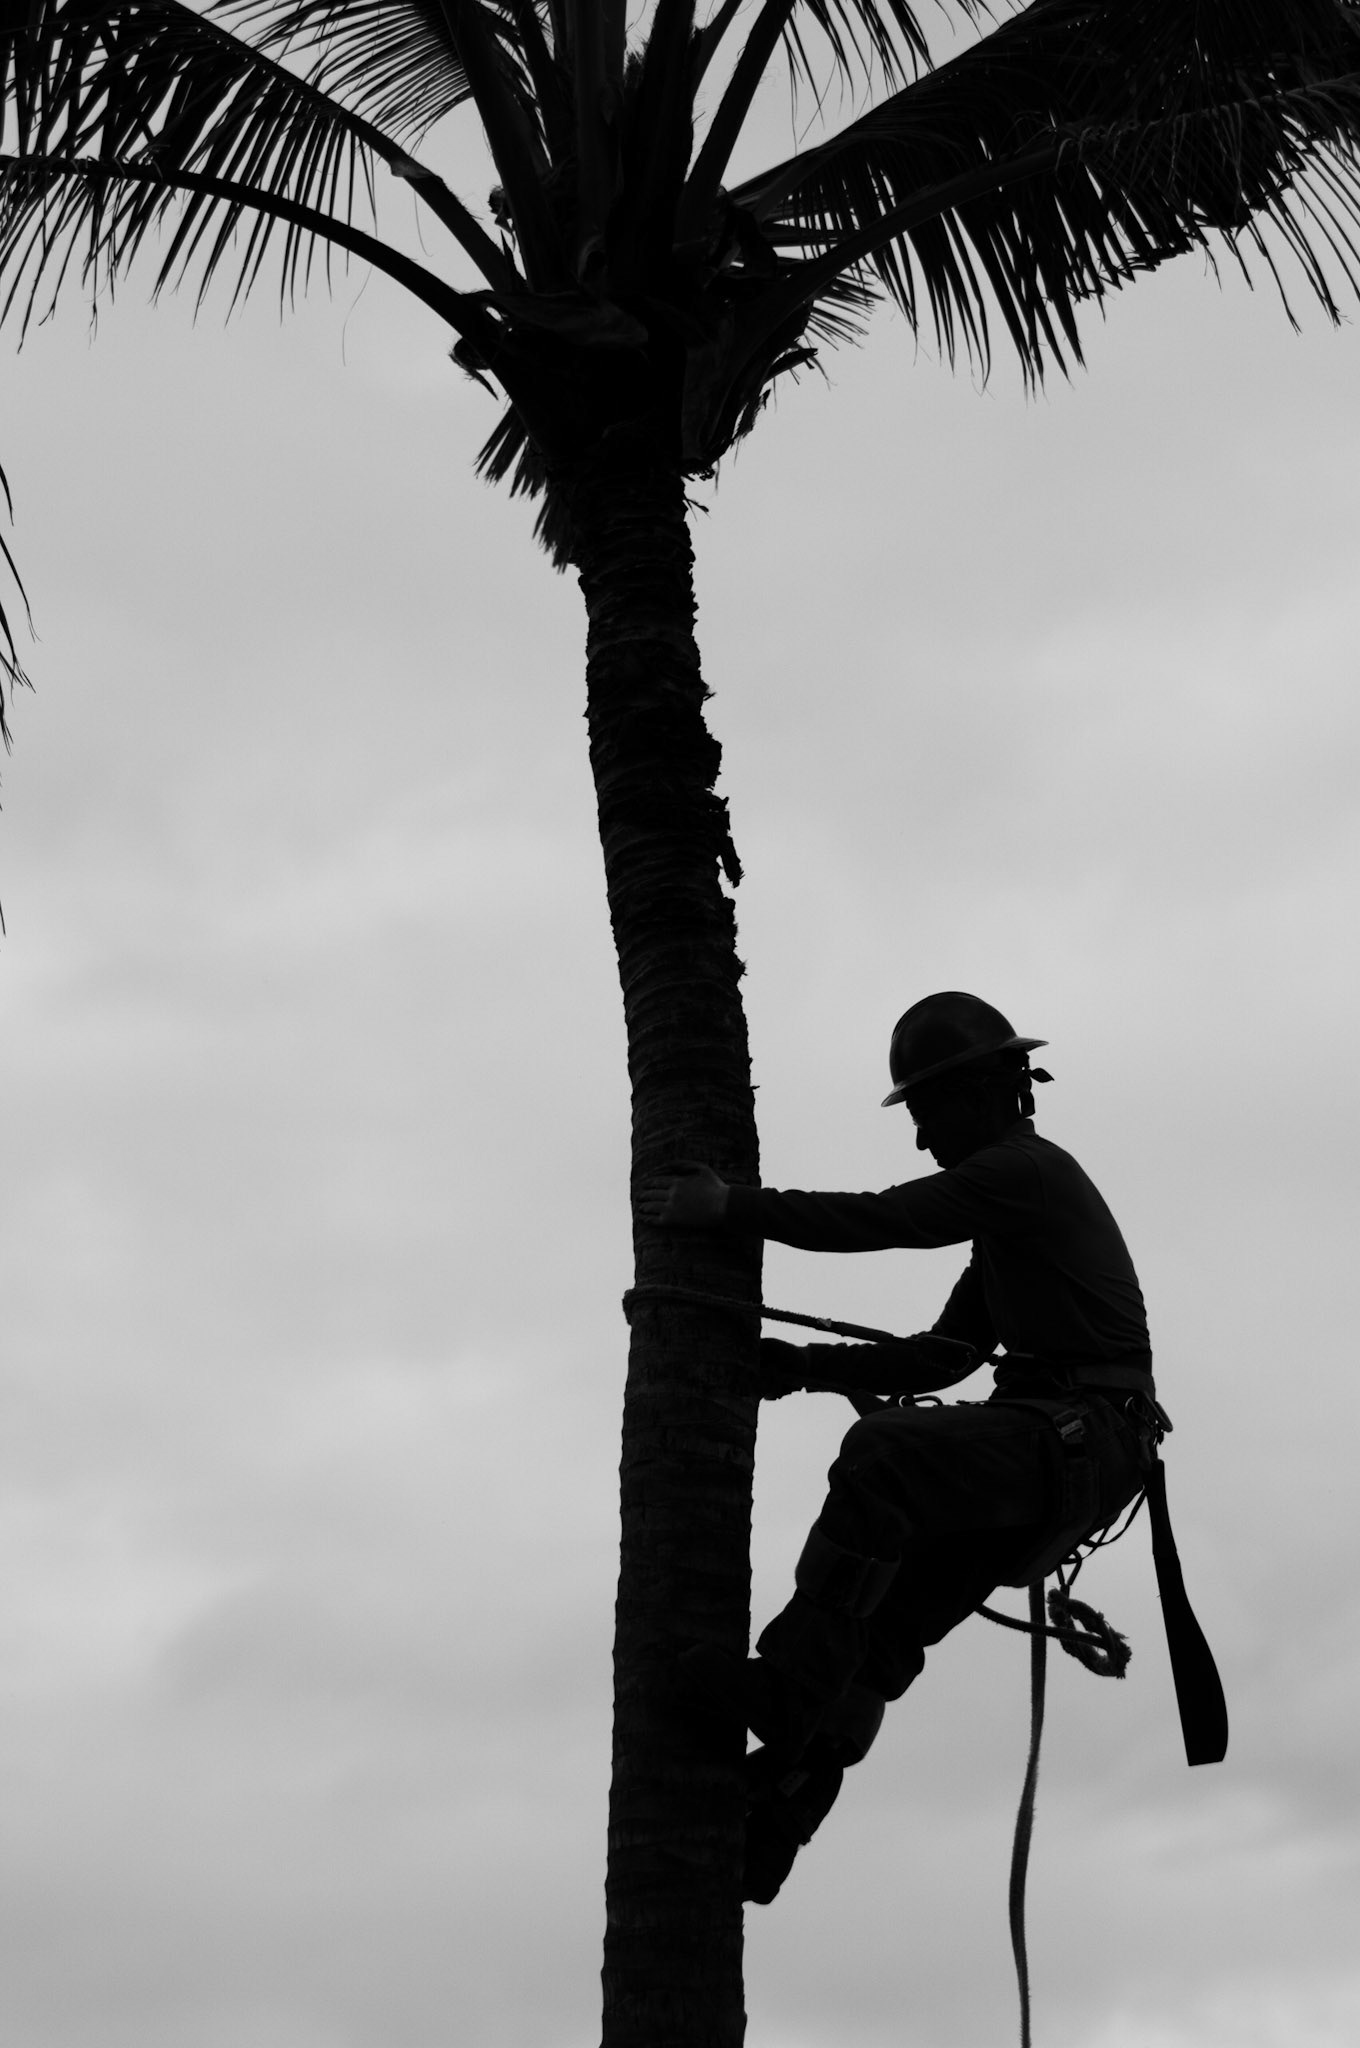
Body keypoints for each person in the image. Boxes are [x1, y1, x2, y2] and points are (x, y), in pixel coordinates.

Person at [639, 991, 1162, 1904]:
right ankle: (774, 1826)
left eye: (924, 1114)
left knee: (887, 1455)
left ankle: (788, 1691)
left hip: (1081, 1438)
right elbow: (947, 1354)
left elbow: (889, 1218)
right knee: (881, 1633)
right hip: (1067, 1452)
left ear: (979, 1093)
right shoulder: (1009, 1226)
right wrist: (804, 1366)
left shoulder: (1023, 1174)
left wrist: (732, 1210)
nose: (921, 1140)